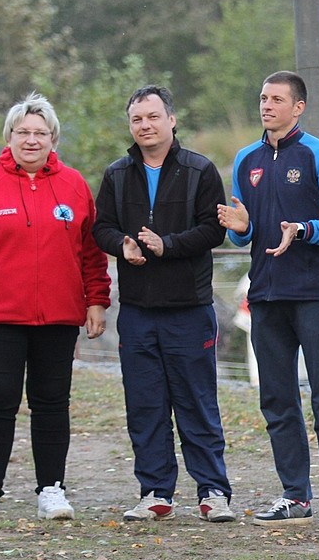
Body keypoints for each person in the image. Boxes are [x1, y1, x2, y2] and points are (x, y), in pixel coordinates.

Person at [0, 92, 111, 521]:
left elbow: (91, 251)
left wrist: (97, 299)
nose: (32, 140)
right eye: (23, 132)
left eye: (41, 133)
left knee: (52, 402)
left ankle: (51, 489)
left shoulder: (73, 185)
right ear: (10, 137)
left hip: (58, 317)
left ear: (53, 139)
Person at [217, 71, 319, 529]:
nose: (267, 105)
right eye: (263, 97)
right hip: (265, 295)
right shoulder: (246, 159)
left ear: (298, 107)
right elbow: (243, 235)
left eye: (277, 99)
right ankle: (295, 495)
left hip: (313, 294)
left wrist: (304, 229)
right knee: (277, 401)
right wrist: (241, 229)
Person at [92, 85, 235, 523]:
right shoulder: (117, 174)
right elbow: (101, 228)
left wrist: (167, 245)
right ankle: (155, 492)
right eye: (137, 119)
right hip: (137, 311)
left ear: (171, 120)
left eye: (153, 117)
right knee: (145, 405)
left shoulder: (199, 170)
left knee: (197, 403)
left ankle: (213, 491)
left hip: (189, 308)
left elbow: (214, 229)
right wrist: (122, 245)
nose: (145, 126)